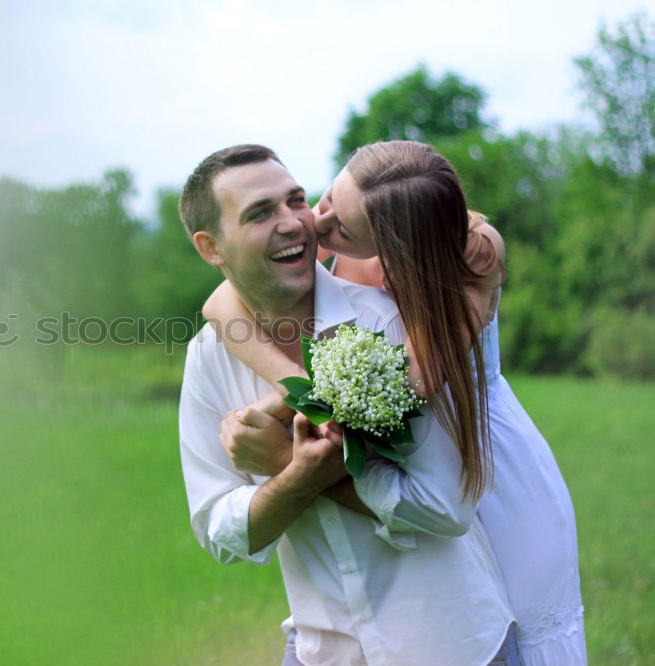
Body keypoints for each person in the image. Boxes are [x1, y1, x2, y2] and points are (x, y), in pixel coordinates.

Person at [205, 140, 585, 665]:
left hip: (485, 466)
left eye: (341, 229)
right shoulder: (350, 221)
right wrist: (292, 381)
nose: (318, 224)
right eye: (327, 198)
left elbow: (401, 388)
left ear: (395, 247)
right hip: (418, 459)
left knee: (504, 623)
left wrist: (287, 459)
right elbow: (220, 302)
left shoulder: (472, 260)